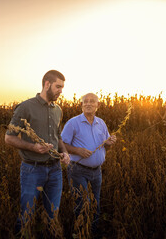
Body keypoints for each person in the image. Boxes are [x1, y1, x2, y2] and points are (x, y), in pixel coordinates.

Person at [5, 70, 70, 235]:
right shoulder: (25, 107)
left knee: (52, 215)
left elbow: (58, 137)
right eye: (58, 87)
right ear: (47, 84)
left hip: (55, 170)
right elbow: (9, 138)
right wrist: (33, 148)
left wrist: (64, 153)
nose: (61, 91)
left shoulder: (58, 110)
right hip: (32, 170)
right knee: (27, 214)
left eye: (62, 87)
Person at [61, 93, 116, 234]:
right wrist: (77, 150)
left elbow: (106, 146)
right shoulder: (73, 123)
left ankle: (93, 232)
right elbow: (60, 144)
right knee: (83, 204)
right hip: (77, 170)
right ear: (81, 105)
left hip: (97, 171)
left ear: (97, 106)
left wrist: (109, 143)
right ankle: (81, 233)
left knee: (95, 204)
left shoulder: (101, 123)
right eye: (85, 102)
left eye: (92, 102)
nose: (88, 104)